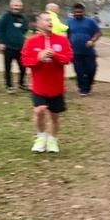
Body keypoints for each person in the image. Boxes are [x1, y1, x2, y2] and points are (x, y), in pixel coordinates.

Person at [21, 11, 73, 153]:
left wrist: (55, 55)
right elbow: (25, 61)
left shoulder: (62, 40)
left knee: (54, 116)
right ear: (38, 23)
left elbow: (68, 58)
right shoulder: (31, 41)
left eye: (50, 20)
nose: (49, 22)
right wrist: (38, 58)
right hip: (39, 86)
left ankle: (52, 141)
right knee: (39, 111)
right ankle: (41, 137)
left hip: (56, 87)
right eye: (46, 20)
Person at [66, 1, 103, 95]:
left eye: (80, 12)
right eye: (76, 12)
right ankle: (83, 89)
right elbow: (67, 35)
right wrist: (68, 46)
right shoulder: (69, 22)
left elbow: (98, 33)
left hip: (89, 51)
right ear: (73, 12)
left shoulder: (90, 21)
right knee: (79, 71)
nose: (78, 14)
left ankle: (88, 84)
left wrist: (92, 40)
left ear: (83, 11)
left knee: (92, 69)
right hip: (75, 52)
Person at [0, 0, 30, 91]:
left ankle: (21, 83)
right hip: (8, 46)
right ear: (11, 6)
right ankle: (9, 85)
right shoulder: (6, 17)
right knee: (8, 67)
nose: (17, 7)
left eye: (19, 6)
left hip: (20, 47)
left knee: (23, 66)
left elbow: (25, 29)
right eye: (15, 5)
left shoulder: (23, 18)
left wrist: (20, 36)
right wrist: (1, 42)